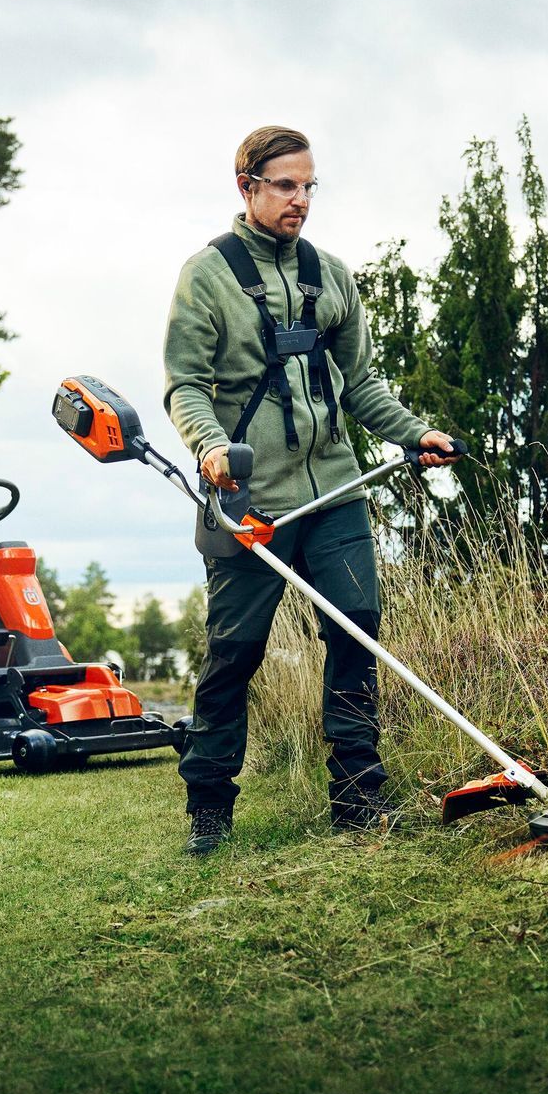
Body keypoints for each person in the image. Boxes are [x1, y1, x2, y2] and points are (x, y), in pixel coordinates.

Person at [163, 125, 458, 856]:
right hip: (249, 498)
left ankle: (359, 797)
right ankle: (209, 805)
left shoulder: (331, 275)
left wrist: (413, 432)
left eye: (309, 186)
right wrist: (210, 449)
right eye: (286, 185)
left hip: (335, 486)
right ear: (248, 188)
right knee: (235, 651)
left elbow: (360, 383)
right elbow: (185, 387)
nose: (300, 200)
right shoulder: (206, 277)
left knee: (356, 624)